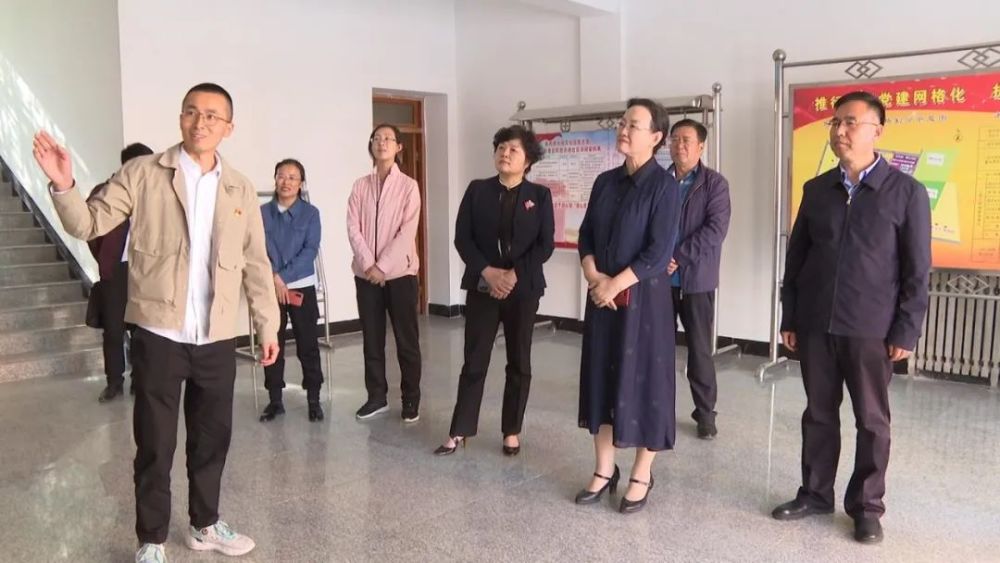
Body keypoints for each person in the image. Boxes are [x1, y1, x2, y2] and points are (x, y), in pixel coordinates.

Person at [33, 82, 280, 563]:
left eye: (212, 115)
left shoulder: (240, 188)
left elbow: (255, 261)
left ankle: (205, 524)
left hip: (216, 336)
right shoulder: (143, 173)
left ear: (228, 128)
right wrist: (64, 185)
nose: (200, 122)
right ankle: (151, 539)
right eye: (191, 112)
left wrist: (266, 325)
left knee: (212, 438)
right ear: (181, 117)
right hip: (159, 333)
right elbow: (87, 224)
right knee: (155, 443)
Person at [772, 91, 931, 544]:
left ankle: (866, 507)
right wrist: (790, 316)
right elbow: (797, 259)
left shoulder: (906, 193)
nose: (840, 130)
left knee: (872, 421)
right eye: (835, 122)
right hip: (816, 323)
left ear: (877, 130)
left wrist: (906, 329)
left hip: (871, 329)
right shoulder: (817, 190)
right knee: (818, 413)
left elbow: (917, 271)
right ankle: (815, 493)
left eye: (851, 122)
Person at [574, 98, 681, 514]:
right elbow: (586, 235)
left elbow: (658, 251)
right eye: (622, 123)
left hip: (644, 305)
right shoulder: (605, 182)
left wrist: (615, 283)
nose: (623, 130)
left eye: (633, 125)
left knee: (645, 384)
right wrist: (594, 277)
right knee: (601, 378)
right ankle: (604, 469)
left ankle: (641, 473)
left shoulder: (664, 187)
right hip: (603, 301)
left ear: (655, 137)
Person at [435, 124, 554, 457]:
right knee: (474, 359)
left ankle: (511, 430)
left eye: (513, 149)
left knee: (519, 361)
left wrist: (513, 275)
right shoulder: (478, 190)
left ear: (527, 160)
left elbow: (545, 245)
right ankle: (460, 428)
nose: (505, 153)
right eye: (501, 147)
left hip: (523, 288)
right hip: (482, 286)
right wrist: (488, 272)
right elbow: (463, 238)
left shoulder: (539, 196)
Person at [348, 123, 423, 422]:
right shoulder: (360, 186)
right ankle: (376, 397)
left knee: (407, 341)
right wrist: (369, 265)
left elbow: (407, 232)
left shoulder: (409, 186)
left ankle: (411, 399)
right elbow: (353, 228)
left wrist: (383, 266)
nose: (382, 143)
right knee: (372, 339)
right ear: (371, 145)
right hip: (366, 275)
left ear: (399, 147)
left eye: (388, 139)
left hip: (401, 275)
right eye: (377, 138)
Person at [664, 119, 731, 439]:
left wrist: (677, 256)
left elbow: (715, 230)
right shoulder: (658, 181)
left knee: (700, 350)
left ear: (700, 146)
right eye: (675, 139)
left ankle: (705, 414)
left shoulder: (714, 184)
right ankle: (658, 408)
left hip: (697, 280)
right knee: (657, 348)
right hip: (659, 281)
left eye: (686, 140)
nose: (679, 145)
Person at [87, 142, 154, 403]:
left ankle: (140, 379)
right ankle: (114, 381)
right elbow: (91, 231)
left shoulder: (154, 194)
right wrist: (105, 258)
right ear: (129, 166)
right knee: (114, 330)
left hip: (146, 270)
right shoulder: (105, 192)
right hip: (117, 270)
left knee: (143, 329)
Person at [259, 158, 325, 422]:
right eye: (281, 176)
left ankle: (314, 400)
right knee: (271, 343)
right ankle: (275, 400)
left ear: (301, 183)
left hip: (301, 287)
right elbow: (256, 250)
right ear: (275, 179)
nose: (285, 182)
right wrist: (273, 278)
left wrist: (282, 277)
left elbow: (310, 250)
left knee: (308, 344)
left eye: (292, 177)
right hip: (270, 288)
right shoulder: (262, 213)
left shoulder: (311, 214)